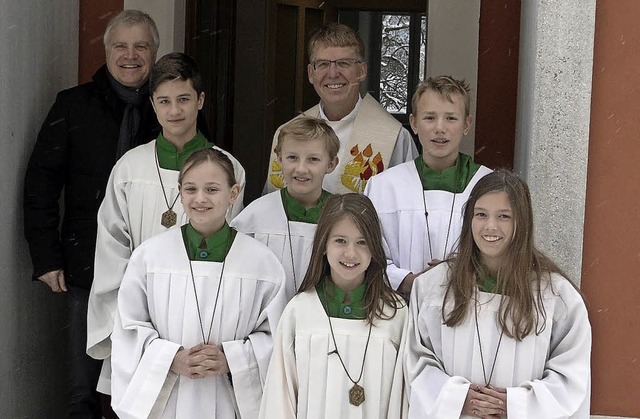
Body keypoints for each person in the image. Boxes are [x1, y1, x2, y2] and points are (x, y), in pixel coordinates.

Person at [23, 10, 160, 418]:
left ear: (155, 52)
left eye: (141, 46)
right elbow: (40, 184)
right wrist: (46, 258)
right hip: (87, 265)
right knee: (82, 390)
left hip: (153, 269)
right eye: (121, 45)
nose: (130, 55)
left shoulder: (173, 108)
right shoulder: (73, 105)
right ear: (106, 50)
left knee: (141, 386)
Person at [87, 52, 246, 394]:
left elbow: (233, 249)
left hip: (203, 323)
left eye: (184, 99)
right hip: (143, 317)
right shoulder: (131, 168)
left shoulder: (228, 168)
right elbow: (112, 248)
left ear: (200, 100)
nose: (175, 111)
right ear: (153, 105)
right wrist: (134, 321)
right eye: (165, 101)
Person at [110, 148, 284, 418]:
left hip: (229, 401)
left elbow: (276, 336)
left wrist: (232, 360)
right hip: (168, 401)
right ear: (179, 192)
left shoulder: (261, 263)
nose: (200, 199)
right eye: (190, 189)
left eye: (212, 189)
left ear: (233, 193)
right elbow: (129, 328)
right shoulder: (150, 257)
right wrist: (170, 358)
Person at [405, 170, 591, 418]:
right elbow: (417, 362)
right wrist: (458, 398)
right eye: (481, 214)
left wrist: (514, 405)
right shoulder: (434, 288)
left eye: (504, 216)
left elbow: (571, 377)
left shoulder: (556, 297)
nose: (490, 226)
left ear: (522, 222)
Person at [259, 193, 408, 419]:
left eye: (362, 242)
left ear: (375, 248)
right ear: (323, 244)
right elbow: (280, 397)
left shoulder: (395, 314)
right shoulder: (300, 311)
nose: (351, 253)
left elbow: (404, 400)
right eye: (340, 241)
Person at [365, 76, 492, 296]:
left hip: (469, 308)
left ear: (467, 125)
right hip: (400, 309)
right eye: (430, 118)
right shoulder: (384, 187)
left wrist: (459, 274)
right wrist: (409, 282)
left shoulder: (489, 187)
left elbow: (506, 254)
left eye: (451, 118)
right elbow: (366, 252)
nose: (440, 128)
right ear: (414, 123)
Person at [264, 22, 418, 195]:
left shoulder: (394, 137)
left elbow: (408, 206)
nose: (332, 73)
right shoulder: (287, 133)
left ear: (362, 70)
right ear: (310, 73)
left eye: (343, 63)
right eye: (322, 64)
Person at [231, 116, 339, 302]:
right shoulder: (254, 217)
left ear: (331, 164)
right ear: (279, 158)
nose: (301, 169)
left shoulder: (342, 215)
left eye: (313, 159)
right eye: (292, 158)